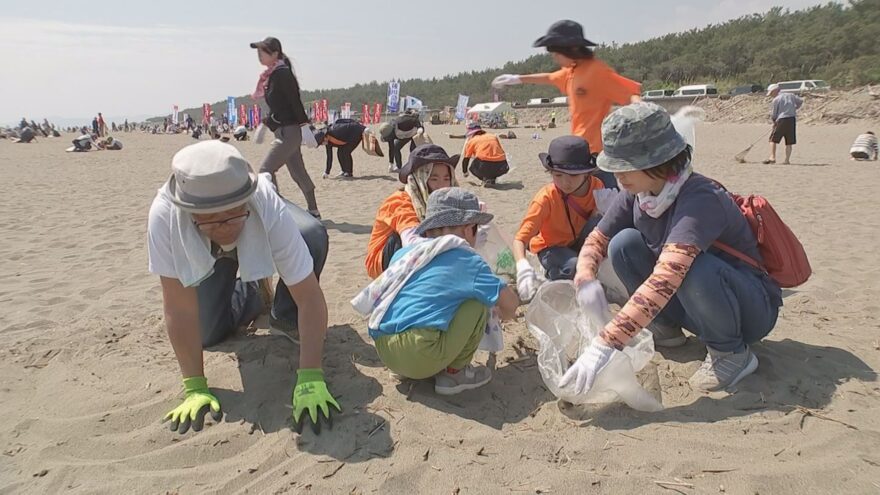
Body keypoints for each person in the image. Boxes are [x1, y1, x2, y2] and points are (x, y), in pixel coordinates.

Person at [568, 102, 782, 394]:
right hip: (692, 302)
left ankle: (731, 353)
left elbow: (667, 276)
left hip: (747, 310)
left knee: (694, 267)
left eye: (627, 166)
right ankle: (666, 329)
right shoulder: (639, 192)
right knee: (623, 244)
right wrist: (585, 276)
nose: (619, 176)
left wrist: (607, 342)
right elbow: (598, 238)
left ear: (659, 160)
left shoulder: (700, 198)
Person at [147, 141, 339, 435]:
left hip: (261, 224)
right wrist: (195, 386)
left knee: (311, 235)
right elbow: (179, 306)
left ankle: (283, 316)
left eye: (233, 214)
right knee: (208, 335)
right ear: (188, 211)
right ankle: (251, 290)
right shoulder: (164, 216)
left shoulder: (262, 200)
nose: (225, 227)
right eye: (211, 218)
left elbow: (310, 296)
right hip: (206, 252)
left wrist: (311, 375)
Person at [352, 187, 519, 394]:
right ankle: (454, 375)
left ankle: (407, 370)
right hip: (421, 354)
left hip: (386, 352)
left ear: (429, 230)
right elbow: (510, 305)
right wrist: (501, 312)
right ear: (468, 230)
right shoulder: (467, 259)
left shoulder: (407, 254)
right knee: (476, 304)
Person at [491, 19, 641, 189]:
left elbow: (630, 94)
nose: (554, 57)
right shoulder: (572, 72)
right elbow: (548, 77)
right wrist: (518, 79)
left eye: (555, 52)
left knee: (605, 199)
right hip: (578, 151)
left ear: (572, 49)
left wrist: (643, 110)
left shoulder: (597, 71)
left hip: (598, 154)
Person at [512, 135, 604, 301]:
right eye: (558, 175)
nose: (565, 182)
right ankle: (549, 273)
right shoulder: (546, 198)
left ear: (587, 174)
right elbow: (520, 239)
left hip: (580, 240)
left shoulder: (597, 186)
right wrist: (522, 266)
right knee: (575, 266)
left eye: (573, 176)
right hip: (551, 247)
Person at [250, 36, 321, 219]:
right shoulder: (272, 75)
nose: (259, 56)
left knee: (265, 171)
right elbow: (278, 107)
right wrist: (265, 124)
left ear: (275, 53)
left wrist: (305, 126)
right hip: (283, 130)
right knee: (298, 171)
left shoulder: (282, 73)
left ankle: (277, 210)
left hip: (289, 132)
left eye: (262, 52)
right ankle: (313, 210)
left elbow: (294, 101)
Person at [364, 144, 459, 279]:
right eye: (434, 179)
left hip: (426, 250)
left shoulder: (449, 199)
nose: (442, 186)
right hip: (383, 260)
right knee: (401, 238)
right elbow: (411, 239)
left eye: (446, 178)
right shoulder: (399, 201)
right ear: (420, 179)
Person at [763, 83, 803, 164]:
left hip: (781, 119)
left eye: (771, 93)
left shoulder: (776, 99)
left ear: (775, 91)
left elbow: (774, 113)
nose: (771, 95)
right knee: (789, 141)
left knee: (773, 139)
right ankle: (787, 160)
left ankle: (772, 157)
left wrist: (774, 122)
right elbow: (800, 101)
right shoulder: (791, 95)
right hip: (792, 119)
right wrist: (794, 108)